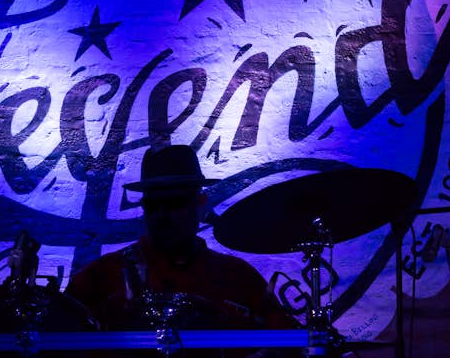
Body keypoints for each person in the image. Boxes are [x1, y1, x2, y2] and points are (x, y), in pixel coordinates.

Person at [65, 145, 300, 357]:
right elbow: (55, 338)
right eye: (153, 205)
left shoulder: (238, 277)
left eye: (174, 203)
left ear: (200, 204)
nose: (162, 215)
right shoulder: (103, 276)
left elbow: (287, 342)